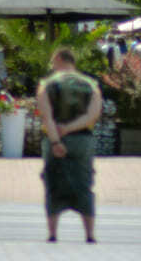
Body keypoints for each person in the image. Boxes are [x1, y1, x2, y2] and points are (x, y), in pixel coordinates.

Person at [36, 47, 103, 244]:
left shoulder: (46, 85)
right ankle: (89, 234)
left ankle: (52, 233)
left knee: (53, 185)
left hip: (55, 140)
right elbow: (93, 115)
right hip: (83, 141)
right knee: (84, 185)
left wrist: (57, 139)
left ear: (58, 59)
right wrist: (71, 127)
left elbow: (47, 116)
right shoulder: (91, 85)